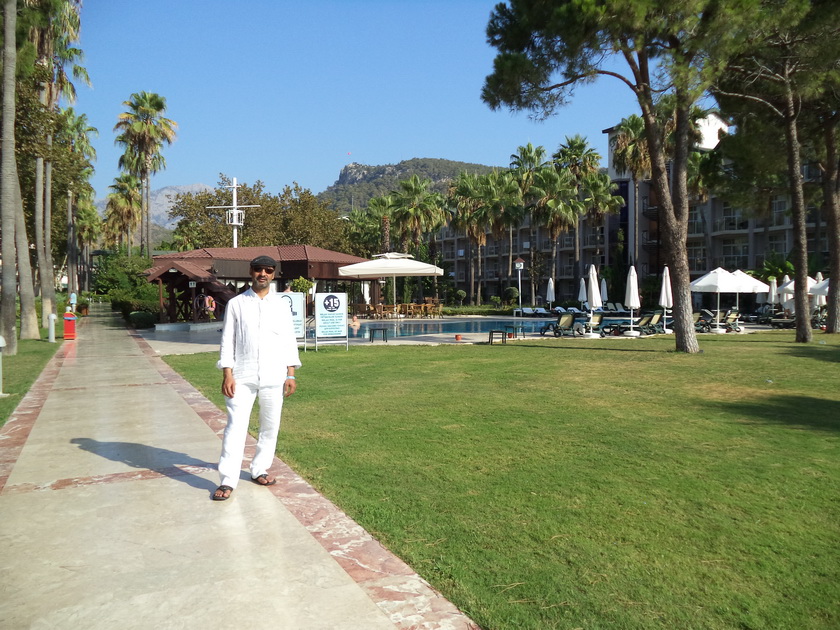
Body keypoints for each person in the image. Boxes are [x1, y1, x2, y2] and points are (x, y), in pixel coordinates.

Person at [213, 255, 301, 501]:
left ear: (273, 274)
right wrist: (227, 373)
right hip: (242, 376)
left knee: (270, 426)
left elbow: (289, 340)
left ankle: (259, 468)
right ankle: (228, 479)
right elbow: (227, 341)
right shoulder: (237, 304)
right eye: (259, 269)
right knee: (235, 427)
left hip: (274, 375)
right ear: (251, 271)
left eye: (268, 270)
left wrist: (290, 374)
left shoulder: (281, 305)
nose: (263, 274)